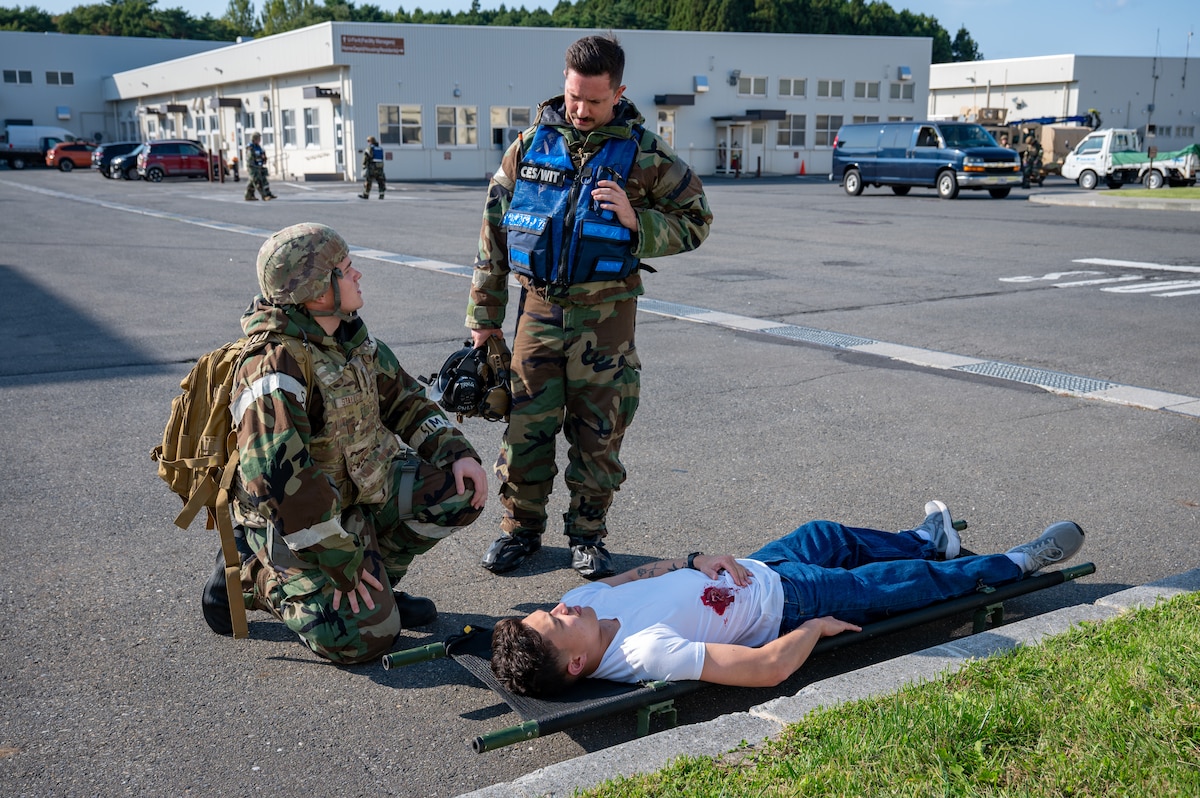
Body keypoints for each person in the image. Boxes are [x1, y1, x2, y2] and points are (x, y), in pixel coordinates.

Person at [466, 34, 713, 581]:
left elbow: (697, 220)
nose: (580, 110)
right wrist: (484, 320)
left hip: (606, 324)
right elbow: (493, 233)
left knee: (598, 435)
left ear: (619, 92)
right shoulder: (529, 146)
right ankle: (520, 531)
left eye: (594, 101)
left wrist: (638, 222)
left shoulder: (645, 154)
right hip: (537, 314)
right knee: (524, 431)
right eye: (573, 97)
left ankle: (587, 535)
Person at [201, 222, 489, 665]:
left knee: (461, 490)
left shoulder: (348, 335)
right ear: (317, 290)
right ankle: (252, 576)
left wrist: (456, 451)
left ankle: (378, 585)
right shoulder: (273, 365)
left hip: (354, 492)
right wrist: (342, 562)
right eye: (346, 269)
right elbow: (278, 483)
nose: (357, 276)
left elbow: (404, 398)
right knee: (364, 640)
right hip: (296, 520)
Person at [489, 501, 1086, 695]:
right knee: (897, 584)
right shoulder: (645, 655)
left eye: (552, 607)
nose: (564, 606)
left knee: (829, 535)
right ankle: (1012, 563)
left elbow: (635, 577)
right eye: (558, 620)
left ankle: (932, 539)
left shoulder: (583, 597)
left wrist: (695, 562)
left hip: (757, 566)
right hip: (787, 603)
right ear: (574, 662)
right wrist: (813, 629)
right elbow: (767, 668)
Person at [244, 132, 276, 201]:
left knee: (262, 181)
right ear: (254, 139)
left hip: (259, 166)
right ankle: (264, 196)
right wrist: (255, 166)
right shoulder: (251, 147)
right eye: (258, 138)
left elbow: (260, 155)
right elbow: (250, 159)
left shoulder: (258, 147)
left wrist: (263, 158)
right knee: (257, 182)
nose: (260, 140)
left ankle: (250, 196)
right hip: (253, 168)